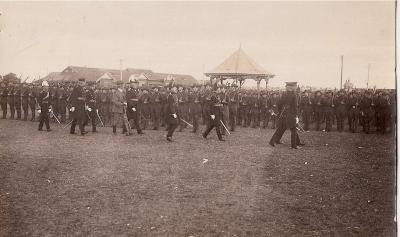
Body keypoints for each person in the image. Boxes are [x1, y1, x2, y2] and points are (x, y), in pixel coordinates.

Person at [269, 82, 303, 149]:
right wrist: (296, 116)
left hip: (283, 114)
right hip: (291, 114)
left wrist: (279, 112)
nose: (295, 87)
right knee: (293, 129)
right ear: (291, 87)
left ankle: (273, 141)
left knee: (281, 128)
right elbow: (295, 106)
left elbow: (279, 103)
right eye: (295, 86)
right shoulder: (294, 94)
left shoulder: (284, 94)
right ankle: (294, 145)